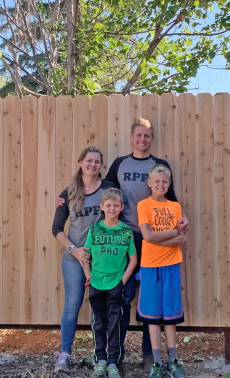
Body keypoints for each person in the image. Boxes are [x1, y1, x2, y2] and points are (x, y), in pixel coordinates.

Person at [56, 118, 189, 369]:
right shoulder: (119, 164)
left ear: (151, 139)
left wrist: (182, 222)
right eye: (138, 135)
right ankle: (118, 353)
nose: (142, 140)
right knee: (123, 296)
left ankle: (150, 355)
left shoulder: (160, 166)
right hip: (123, 237)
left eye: (147, 136)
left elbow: (171, 199)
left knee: (151, 295)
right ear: (132, 137)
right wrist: (64, 197)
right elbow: (105, 192)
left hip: (154, 240)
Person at [51, 146, 117, 373]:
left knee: (98, 309)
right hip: (74, 259)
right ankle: (65, 354)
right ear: (80, 162)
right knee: (72, 306)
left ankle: (99, 355)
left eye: (97, 162)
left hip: (101, 260)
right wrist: (74, 250)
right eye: (89, 161)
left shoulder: (108, 188)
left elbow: (119, 213)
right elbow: (57, 229)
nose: (93, 165)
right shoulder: (67, 193)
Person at [137, 164, 188, 378]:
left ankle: (173, 361)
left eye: (165, 182)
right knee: (152, 317)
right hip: (149, 267)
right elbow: (148, 237)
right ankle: (157, 363)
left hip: (171, 266)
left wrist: (166, 236)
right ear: (149, 183)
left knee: (170, 317)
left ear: (169, 185)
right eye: (156, 181)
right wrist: (174, 233)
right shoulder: (143, 205)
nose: (160, 185)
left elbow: (183, 239)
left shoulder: (175, 207)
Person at [83, 188, 137, 378]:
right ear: (102, 207)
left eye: (116, 205)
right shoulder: (95, 229)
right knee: (99, 324)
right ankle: (100, 360)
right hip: (96, 284)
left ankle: (113, 361)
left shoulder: (126, 231)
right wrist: (88, 276)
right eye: (108, 206)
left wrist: (122, 282)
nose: (112, 209)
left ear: (121, 207)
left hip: (116, 285)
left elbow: (133, 260)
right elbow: (85, 256)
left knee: (115, 324)